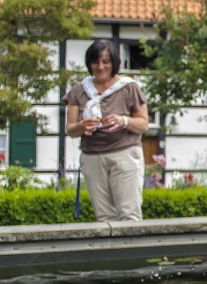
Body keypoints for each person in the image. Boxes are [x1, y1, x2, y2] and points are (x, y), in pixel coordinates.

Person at [64, 40, 150, 221]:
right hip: (93, 157)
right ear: (89, 63)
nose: (100, 66)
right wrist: (82, 126)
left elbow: (143, 124)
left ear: (114, 63)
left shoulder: (129, 87)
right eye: (96, 61)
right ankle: (110, 250)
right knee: (104, 217)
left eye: (105, 61)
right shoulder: (79, 90)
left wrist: (123, 120)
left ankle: (131, 249)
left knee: (129, 214)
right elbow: (70, 129)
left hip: (124, 154)